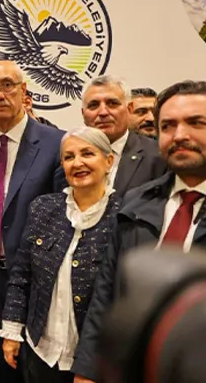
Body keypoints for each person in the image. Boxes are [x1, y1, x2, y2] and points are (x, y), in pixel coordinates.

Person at [72, 80, 206, 383]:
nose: (180, 135)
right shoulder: (136, 202)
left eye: (196, 123)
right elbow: (106, 294)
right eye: (168, 126)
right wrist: (87, 370)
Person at [0, 60, 65, 383]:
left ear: (24, 91)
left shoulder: (56, 143)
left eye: (7, 85)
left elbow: (63, 218)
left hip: (37, 284)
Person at [0, 126, 120, 383]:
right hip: (41, 351)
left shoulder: (123, 217)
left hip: (94, 360)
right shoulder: (43, 208)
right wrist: (12, 330)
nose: (78, 163)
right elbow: (21, 275)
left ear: (108, 161)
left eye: (87, 153)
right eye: (69, 157)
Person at [81, 76, 166, 198]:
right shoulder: (68, 157)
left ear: (129, 109)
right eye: (93, 105)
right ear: (83, 114)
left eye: (112, 104)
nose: (103, 112)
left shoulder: (159, 155)